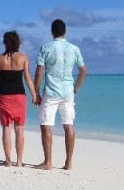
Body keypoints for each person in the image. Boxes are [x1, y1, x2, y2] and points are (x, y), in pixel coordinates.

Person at [34, 19, 87, 170]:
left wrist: (36, 91)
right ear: (65, 31)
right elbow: (83, 71)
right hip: (68, 92)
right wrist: (75, 88)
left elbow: (39, 70)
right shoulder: (74, 48)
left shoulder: (46, 47)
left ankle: (48, 162)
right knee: (68, 125)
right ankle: (68, 163)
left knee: (46, 125)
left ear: (52, 32)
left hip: (51, 91)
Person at [0, 31, 37, 167]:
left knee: (6, 128)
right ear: (18, 42)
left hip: (4, 96)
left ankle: (7, 160)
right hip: (19, 97)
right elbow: (28, 78)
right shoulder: (23, 58)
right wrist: (34, 94)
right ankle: (19, 161)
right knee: (19, 129)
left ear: (5, 43)